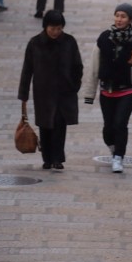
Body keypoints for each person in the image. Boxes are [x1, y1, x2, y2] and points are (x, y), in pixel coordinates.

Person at [84, 2, 132, 174]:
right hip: (107, 91)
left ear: (130, 20)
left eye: (123, 16)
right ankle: (114, 149)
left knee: (120, 124)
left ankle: (119, 157)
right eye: (117, 15)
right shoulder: (104, 39)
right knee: (108, 128)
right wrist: (89, 94)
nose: (119, 19)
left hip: (128, 90)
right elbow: (93, 68)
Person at [18, 10, 83, 171]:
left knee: (60, 125)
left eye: (59, 28)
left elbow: (77, 66)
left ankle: (57, 158)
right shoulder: (35, 43)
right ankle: (46, 157)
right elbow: (27, 70)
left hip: (64, 91)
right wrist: (24, 94)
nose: (55, 32)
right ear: (45, 26)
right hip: (43, 92)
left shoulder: (69, 42)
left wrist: (74, 85)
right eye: (52, 28)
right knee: (45, 125)